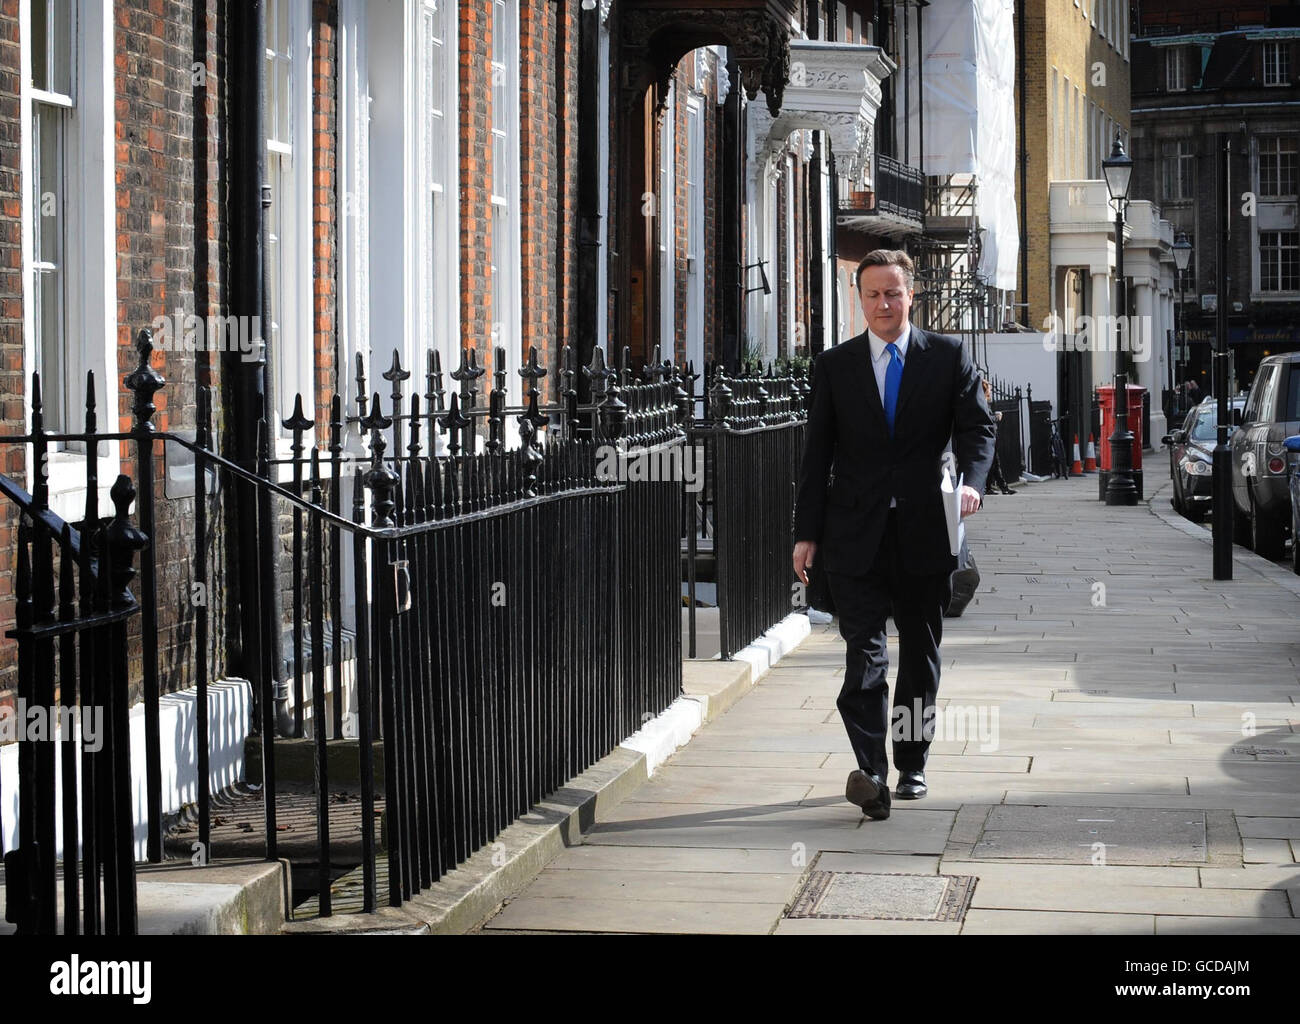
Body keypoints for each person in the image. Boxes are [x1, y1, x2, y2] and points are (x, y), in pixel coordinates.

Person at [791, 249, 996, 820]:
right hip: (852, 534)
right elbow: (817, 456)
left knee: (919, 656)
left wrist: (973, 483)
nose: (884, 304)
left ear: (912, 297)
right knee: (865, 654)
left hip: (923, 531)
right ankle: (872, 774)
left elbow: (978, 431)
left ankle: (911, 763)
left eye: (894, 293)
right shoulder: (835, 366)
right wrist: (805, 533)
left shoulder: (947, 356)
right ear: (859, 301)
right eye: (874, 294)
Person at [980, 378, 1015, 496]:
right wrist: (996, 417)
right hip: (988, 437)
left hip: (991, 436)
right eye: (989, 389)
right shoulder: (982, 402)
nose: (990, 392)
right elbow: (985, 419)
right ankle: (1003, 487)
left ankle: (990, 487)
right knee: (995, 462)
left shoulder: (984, 402)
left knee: (993, 463)